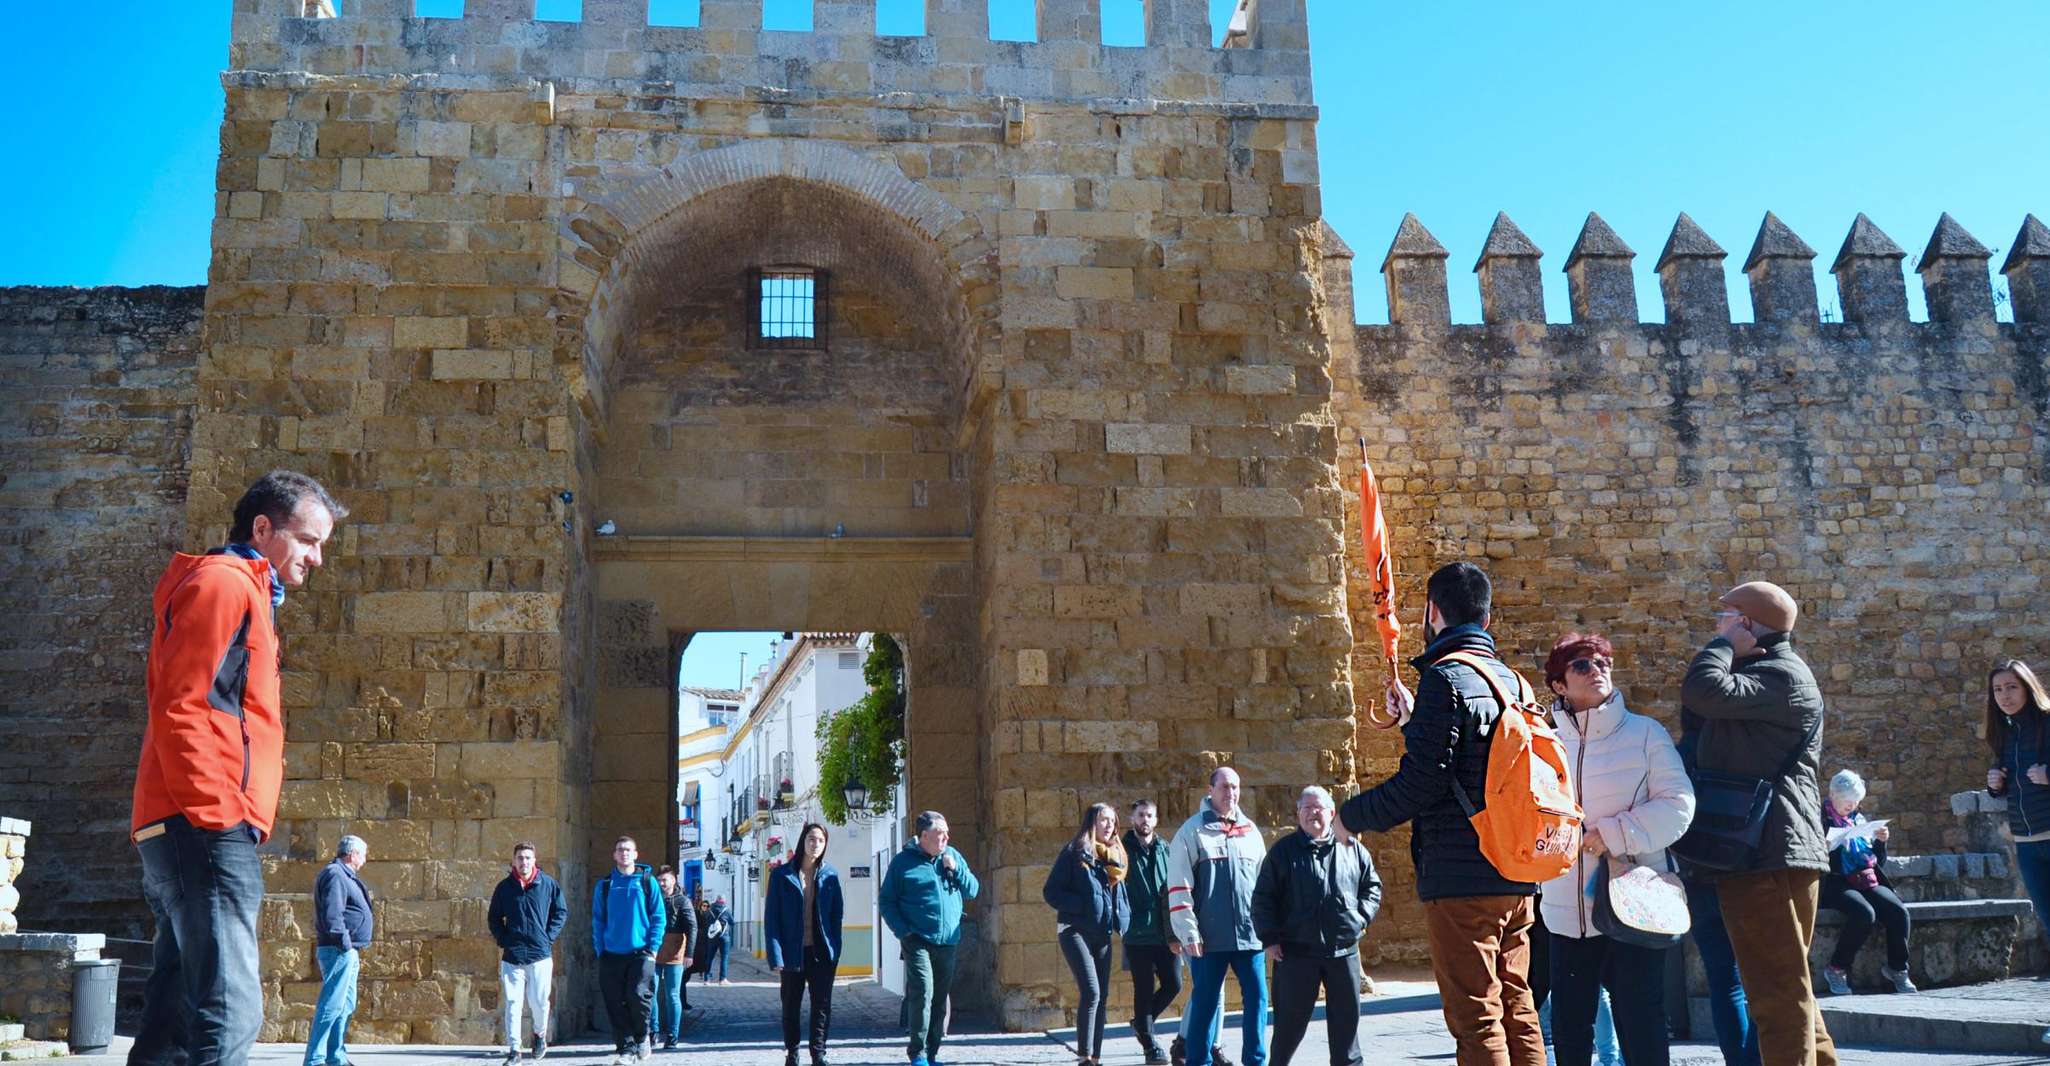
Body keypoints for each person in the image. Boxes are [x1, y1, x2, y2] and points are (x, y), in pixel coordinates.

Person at [129, 471, 345, 1066]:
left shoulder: (243, 590)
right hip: (201, 822)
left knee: (176, 1010)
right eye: (308, 540)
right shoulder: (225, 583)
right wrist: (221, 815)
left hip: (184, 820)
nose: (317, 558)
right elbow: (183, 703)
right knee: (232, 1006)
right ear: (262, 528)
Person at [1337, 562, 1544, 1066]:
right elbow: (1470, 763)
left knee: (1476, 1019)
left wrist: (1352, 817)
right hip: (1516, 872)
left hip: (1461, 878)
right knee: (1518, 1008)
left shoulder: (1444, 679)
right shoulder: (1512, 682)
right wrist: (1415, 721)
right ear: (1487, 619)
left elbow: (1423, 782)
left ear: (1433, 612)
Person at [1680, 581, 1838, 1066]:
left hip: (1766, 853)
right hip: (1768, 850)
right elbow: (1698, 718)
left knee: (1775, 994)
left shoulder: (1781, 675)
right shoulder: (1765, 674)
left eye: (1725, 618)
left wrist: (1721, 647)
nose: (1717, 626)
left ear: (1747, 623)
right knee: (1790, 985)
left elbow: (1702, 690)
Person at [1538, 633, 1694, 1066]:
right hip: (1566, 907)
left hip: (1634, 901)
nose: (1598, 670)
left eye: (1603, 661)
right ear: (1559, 686)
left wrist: (1613, 833)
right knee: (1570, 1028)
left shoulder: (1646, 734)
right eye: (1582, 665)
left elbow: (1680, 806)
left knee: (1640, 1022)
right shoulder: (1545, 744)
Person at [1252, 786, 1382, 1066]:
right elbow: (1263, 898)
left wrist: (1360, 917)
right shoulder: (1283, 852)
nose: (1313, 813)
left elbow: (1372, 887)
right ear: (1298, 814)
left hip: (1343, 952)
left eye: (1318, 808)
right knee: (1289, 1026)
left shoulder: (1352, 848)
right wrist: (1270, 938)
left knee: (1346, 1027)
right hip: (1296, 953)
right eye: (1306, 808)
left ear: (1331, 813)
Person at [1167, 767, 1270, 1066]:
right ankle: (1198, 1061)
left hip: (1249, 937)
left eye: (1236, 787)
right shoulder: (1191, 831)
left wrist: (1269, 929)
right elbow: (1179, 886)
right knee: (1205, 1003)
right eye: (1225, 787)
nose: (1231, 793)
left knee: (1258, 1000)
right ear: (1210, 790)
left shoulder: (1251, 831)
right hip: (1208, 939)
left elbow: (1264, 886)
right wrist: (1188, 932)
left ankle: (1256, 1061)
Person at [879, 810, 980, 1066]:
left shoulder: (952, 855)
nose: (946, 836)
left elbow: (973, 890)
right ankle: (918, 1053)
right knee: (923, 991)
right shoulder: (903, 863)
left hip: (947, 941)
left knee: (939, 996)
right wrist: (903, 931)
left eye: (947, 832)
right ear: (924, 836)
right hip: (917, 939)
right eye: (940, 832)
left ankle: (933, 1052)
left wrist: (955, 870)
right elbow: (887, 901)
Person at [1044, 803, 1131, 1066]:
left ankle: (1095, 1057)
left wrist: (1123, 919)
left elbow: (1119, 897)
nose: (1109, 826)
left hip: (1102, 934)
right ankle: (1083, 1056)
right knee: (1091, 992)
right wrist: (1081, 906)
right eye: (1103, 820)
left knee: (1102, 996)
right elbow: (1051, 892)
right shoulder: (1075, 852)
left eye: (1113, 821)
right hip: (1074, 931)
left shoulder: (1116, 858)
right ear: (1091, 823)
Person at [1818, 770, 1913, 996]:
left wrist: (1881, 843)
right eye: (1847, 803)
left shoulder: (1858, 820)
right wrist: (1828, 845)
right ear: (1832, 795)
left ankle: (1897, 968)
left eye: (1856, 802)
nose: (1851, 807)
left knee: (1898, 912)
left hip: (1865, 878)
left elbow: (1878, 861)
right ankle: (1837, 968)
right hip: (1835, 882)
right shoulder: (1819, 819)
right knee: (1864, 914)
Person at [1986, 659, 2050, 954]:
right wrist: (1995, 783)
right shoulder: (2006, 733)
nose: (2005, 695)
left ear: (2027, 688)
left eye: (2012, 687)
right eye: (1998, 689)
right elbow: (2012, 784)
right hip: (2026, 841)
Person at [767, 823, 844, 1066]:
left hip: (821, 952)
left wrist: (835, 948)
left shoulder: (830, 875)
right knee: (790, 1005)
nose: (816, 844)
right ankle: (792, 1052)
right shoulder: (782, 876)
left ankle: (818, 1053)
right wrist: (776, 956)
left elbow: (836, 915)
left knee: (821, 1006)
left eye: (821, 840)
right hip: (792, 952)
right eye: (811, 839)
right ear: (803, 841)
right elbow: (772, 919)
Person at [488, 841, 568, 1063]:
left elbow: (561, 912)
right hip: (513, 956)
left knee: (539, 1002)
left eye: (528, 858)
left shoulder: (548, 885)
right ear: (514, 861)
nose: (524, 862)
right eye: (520, 858)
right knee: (513, 1003)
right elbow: (494, 917)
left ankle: (539, 1035)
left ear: (535, 860)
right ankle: (515, 1049)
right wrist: (504, 939)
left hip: (540, 955)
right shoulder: (504, 888)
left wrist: (548, 937)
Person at [592, 836, 665, 1065]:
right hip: (611, 953)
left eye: (628, 850)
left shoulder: (647, 881)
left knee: (638, 996)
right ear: (614, 855)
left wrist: (653, 948)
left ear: (635, 854)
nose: (624, 853)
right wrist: (600, 949)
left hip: (641, 952)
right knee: (614, 1002)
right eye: (620, 850)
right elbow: (597, 919)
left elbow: (658, 916)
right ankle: (626, 1048)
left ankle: (642, 1036)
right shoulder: (604, 885)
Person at [1122, 800, 1181, 1066]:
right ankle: (1150, 1045)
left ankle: (1141, 1023)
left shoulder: (1165, 849)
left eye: (1150, 816)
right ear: (1132, 819)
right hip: (1137, 932)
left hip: (1165, 931)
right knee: (1143, 989)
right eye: (1140, 815)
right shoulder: (1122, 850)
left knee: (1174, 984)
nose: (1145, 820)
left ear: (1156, 820)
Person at [304, 836, 371, 1066]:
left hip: (348, 950)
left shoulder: (345, 875)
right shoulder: (336, 874)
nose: (364, 860)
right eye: (363, 854)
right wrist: (344, 942)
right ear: (352, 854)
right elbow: (333, 914)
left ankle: (336, 1056)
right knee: (331, 1005)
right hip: (338, 949)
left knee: (345, 1005)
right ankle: (315, 1059)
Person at [653, 866, 697, 1050]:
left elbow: (692, 927)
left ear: (674, 880)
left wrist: (689, 954)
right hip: (654, 949)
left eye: (665, 880)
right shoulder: (653, 899)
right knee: (650, 992)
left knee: (672, 994)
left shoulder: (682, 901)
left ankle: (673, 1034)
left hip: (674, 950)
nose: (662, 883)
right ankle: (652, 1031)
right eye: (660, 880)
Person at [682, 895, 713, 1008]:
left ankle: (683, 1003)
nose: (705, 907)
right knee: (682, 979)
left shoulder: (699, 918)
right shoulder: (699, 920)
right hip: (690, 956)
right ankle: (683, 1003)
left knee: (682, 979)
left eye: (707, 906)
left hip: (690, 956)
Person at [705, 896, 733, 984]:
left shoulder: (709, 910)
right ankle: (722, 979)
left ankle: (706, 979)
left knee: (709, 958)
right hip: (724, 937)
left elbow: (706, 921)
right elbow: (732, 922)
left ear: (716, 900)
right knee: (724, 958)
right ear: (724, 901)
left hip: (712, 937)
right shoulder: (726, 910)